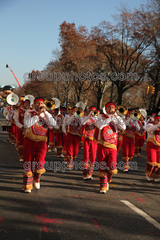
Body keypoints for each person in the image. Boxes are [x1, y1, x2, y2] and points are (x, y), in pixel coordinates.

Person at [22, 97, 57, 193]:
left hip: (42, 141)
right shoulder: (29, 113)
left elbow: (53, 124)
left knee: (40, 161)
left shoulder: (46, 114)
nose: (40, 105)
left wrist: (46, 113)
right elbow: (27, 124)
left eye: (41, 103)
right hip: (29, 140)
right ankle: (27, 185)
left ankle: (37, 178)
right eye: (37, 103)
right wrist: (37, 115)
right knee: (27, 162)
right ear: (34, 104)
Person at [95, 102, 126, 193]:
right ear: (106, 109)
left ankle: (108, 179)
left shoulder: (116, 118)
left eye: (113, 107)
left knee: (112, 165)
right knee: (102, 165)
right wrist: (109, 118)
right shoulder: (100, 117)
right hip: (102, 145)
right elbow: (100, 126)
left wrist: (117, 117)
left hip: (112, 145)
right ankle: (103, 187)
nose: (111, 109)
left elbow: (123, 127)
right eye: (109, 107)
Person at [81, 106, 99, 180]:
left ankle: (90, 173)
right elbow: (83, 122)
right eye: (91, 110)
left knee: (93, 156)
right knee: (85, 155)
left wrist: (96, 117)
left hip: (94, 140)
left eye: (94, 111)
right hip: (87, 139)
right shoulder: (85, 118)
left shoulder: (98, 119)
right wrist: (89, 115)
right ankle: (84, 173)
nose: (92, 112)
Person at [145, 115, 160, 182]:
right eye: (158, 120)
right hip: (151, 147)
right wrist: (158, 125)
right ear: (155, 120)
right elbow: (150, 130)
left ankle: (155, 176)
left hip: (159, 147)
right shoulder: (150, 125)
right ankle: (148, 174)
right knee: (152, 161)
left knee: (158, 163)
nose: (159, 122)